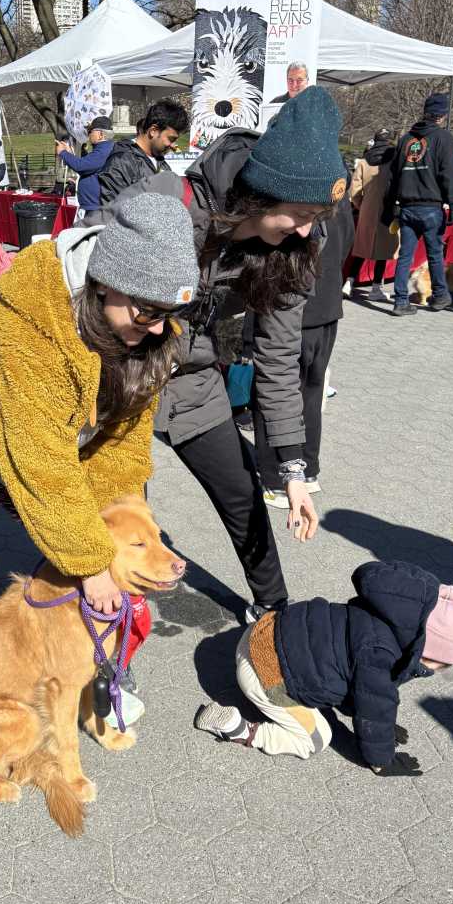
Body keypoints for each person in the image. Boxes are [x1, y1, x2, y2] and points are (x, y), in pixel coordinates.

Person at [0, 191, 199, 837]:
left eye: (169, 314)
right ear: (104, 283)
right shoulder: (27, 329)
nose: (156, 327)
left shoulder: (147, 331)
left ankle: (79, 676)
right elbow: (42, 472)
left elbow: (121, 447)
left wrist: (112, 530)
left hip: (30, 438)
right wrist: (91, 563)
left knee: (85, 543)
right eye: (146, 310)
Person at [105, 87, 347, 623]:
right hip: (119, 375)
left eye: (317, 215)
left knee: (241, 490)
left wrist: (292, 470)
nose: (307, 229)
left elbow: (278, 360)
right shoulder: (168, 202)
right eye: (299, 213)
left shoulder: (296, 248)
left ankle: (273, 611)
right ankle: (110, 634)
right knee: (121, 513)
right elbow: (89, 284)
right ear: (262, 195)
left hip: (191, 377)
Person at [195, 562, 453, 772]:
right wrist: (381, 759)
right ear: (422, 648)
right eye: (432, 665)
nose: (429, 672)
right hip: (263, 673)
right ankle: (239, 729)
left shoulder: (381, 612)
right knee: (316, 739)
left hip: (263, 630)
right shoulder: (381, 655)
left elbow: (355, 682)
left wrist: (379, 727)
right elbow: (375, 705)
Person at [253, 191, 354, 506]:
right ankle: (308, 470)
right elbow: (348, 240)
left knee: (279, 389)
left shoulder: (297, 192)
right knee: (311, 391)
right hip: (326, 306)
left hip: (295, 307)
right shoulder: (338, 191)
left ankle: (276, 479)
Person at [382, 92, 453, 317]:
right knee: (435, 254)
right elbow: (448, 174)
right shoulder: (443, 138)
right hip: (431, 206)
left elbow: (393, 177)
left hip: (407, 207)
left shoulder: (406, 139)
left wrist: (390, 207)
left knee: (405, 255)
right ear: (442, 115)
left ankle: (401, 301)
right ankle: (440, 295)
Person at [98, 100, 188, 206]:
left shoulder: (161, 163)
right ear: (153, 131)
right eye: (171, 139)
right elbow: (113, 209)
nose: (173, 145)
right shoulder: (121, 161)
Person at [342, 129, 396, 300]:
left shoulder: (364, 161)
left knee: (362, 247)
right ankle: (376, 288)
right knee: (383, 251)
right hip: (388, 208)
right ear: (390, 140)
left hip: (367, 209)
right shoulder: (394, 159)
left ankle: (348, 283)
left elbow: (355, 190)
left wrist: (362, 206)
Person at [56, 116, 116, 225]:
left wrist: (63, 153)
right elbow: (86, 167)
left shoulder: (103, 151)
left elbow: (80, 166)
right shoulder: (103, 148)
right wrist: (69, 154)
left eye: (90, 131)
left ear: (101, 134)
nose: (88, 134)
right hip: (94, 205)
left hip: (96, 207)